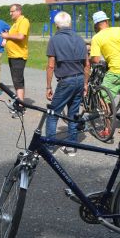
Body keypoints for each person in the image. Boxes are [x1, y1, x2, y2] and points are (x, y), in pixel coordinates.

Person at [45, 11, 89, 156]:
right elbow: (86, 65)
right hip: (79, 79)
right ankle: (71, 147)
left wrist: (48, 86)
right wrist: (85, 84)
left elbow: (51, 65)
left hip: (66, 80)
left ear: (56, 25)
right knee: (73, 113)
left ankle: (49, 147)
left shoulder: (54, 40)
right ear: (70, 23)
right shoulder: (79, 39)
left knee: (52, 114)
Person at [90, 11, 120, 138]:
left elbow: (96, 59)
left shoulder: (97, 38)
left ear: (96, 25)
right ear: (106, 21)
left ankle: (107, 128)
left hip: (116, 71)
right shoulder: (119, 30)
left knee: (103, 96)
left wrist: (89, 60)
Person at [1, 4, 30, 100]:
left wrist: (7, 36)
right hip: (13, 56)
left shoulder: (24, 21)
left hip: (18, 56)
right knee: (17, 81)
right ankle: (20, 102)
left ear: (18, 11)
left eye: (12, 11)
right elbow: (12, 36)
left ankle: (21, 105)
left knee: (18, 81)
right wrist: (6, 40)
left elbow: (21, 36)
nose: (10, 14)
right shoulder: (15, 23)